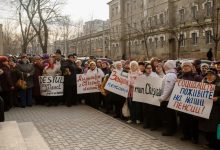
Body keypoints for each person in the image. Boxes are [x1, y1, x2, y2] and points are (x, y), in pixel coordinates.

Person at [178, 61, 202, 144]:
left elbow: (202, 90)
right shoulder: (180, 77)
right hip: (183, 103)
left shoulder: (197, 77)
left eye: (187, 66)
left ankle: (195, 138)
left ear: (191, 67)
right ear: (182, 68)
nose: (186, 67)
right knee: (184, 120)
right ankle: (186, 135)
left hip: (193, 104)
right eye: (184, 66)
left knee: (193, 122)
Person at [199, 68, 220, 150]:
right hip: (204, 108)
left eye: (211, 75)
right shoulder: (203, 82)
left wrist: (217, 99)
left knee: (214, 128)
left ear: (215, 75)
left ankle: (215, 144)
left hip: (216, 110)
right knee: (205, 127)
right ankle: (209, 143)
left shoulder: (219, 84)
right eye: (208, 75)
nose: (209, 76)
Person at [159, 60, 177, 136]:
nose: (164, 66)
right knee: (171, 115)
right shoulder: (170, 74)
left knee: (168, 116)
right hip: (168, 99)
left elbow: (168, 88)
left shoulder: (170, 75)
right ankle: (172, 129)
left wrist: (162, 98)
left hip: (167, 99)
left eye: (165, 65)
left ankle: (169, 130)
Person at [142, 63, 159, 129]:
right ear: (145, 69)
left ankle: (153, 125)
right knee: (145, 110)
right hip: (145, 96)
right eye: (148, 68)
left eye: (150, 68)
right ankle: (146, 123)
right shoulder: (143, 76)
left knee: (152, 111)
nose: (149, 69)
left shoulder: (155, 75)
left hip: (152, 96)